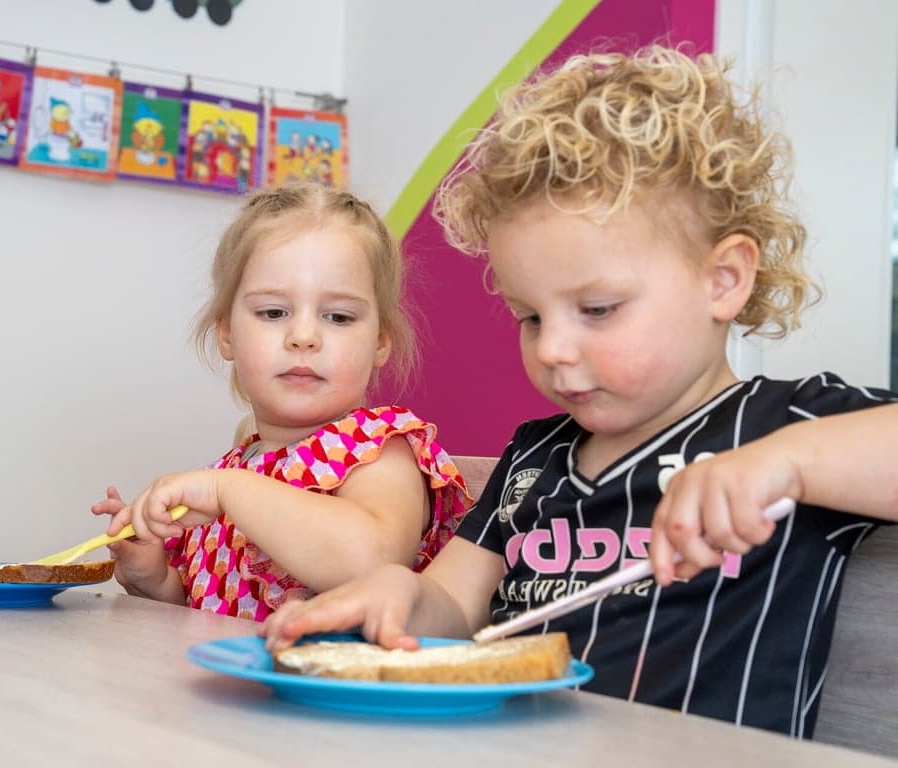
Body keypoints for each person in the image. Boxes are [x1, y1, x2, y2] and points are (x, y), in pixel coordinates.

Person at [262, 46, 898, 738]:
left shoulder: (787, 426)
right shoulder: (534, 457)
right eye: (530, 317)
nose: (551, 349)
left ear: (723, 280)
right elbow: (454, 604)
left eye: (596, 309)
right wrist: (400, 594)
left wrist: (790, 463)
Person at [93, 182, 471, 622]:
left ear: (380, 342)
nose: (304, 337)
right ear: (227, 334)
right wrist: (155, 580)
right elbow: (209, 617)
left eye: (339, 317)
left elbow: (373, 562)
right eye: (273, 312)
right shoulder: (236, 465)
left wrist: (227, 489)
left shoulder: (380, 450)